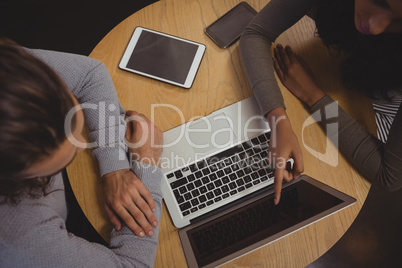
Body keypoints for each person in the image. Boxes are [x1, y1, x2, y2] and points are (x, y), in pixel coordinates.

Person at [0, 39, 164, 267]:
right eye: (59, 159)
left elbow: (89, 75)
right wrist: (148, 162)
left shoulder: (9, 71)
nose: (81, 146)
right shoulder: (21, 240)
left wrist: (114, 165)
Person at [239, 0, 402, 203]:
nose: (377, 27)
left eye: (399, 22)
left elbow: (389, 176)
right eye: (380, 3)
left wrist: (313, 95)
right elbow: (256, 34)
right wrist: (277, 119)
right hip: (356, 75)